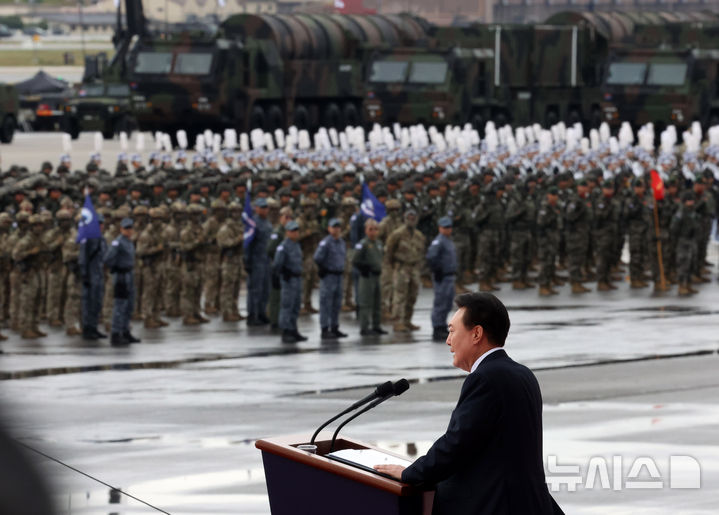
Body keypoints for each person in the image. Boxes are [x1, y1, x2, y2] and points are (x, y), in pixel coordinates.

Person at [375, 292, 563, 515]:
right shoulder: (523, 374)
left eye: (452, 331)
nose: (448, 341)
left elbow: (457, 444)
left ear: (476, 334)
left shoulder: (485, 378)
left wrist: (409, 473)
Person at [104, 218, 141, 346]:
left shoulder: (129, 242)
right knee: (120, 305)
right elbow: (108, 258)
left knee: (129, 305)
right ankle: (116, 333)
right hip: (121, 275)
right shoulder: (118, 242)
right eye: (126, 228)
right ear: (121, 229)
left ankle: (125, 331)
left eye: (130, 228)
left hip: (130, 274)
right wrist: (115, 268)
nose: (129, 231)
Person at [352, 218, 387, 336]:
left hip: (377, 276)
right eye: (370, 229)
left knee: (377, 302)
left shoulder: (379, 243)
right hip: (367, 277)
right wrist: (364, 268)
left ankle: (376, 325)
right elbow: (355, 260)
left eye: (375, 229)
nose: (373, 232)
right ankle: (364, 327)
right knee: (365, 303)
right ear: (366, 231)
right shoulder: (363, 244)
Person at [313, 217, 347, 340]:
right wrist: (322, 268)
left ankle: (334, 327)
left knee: (337, 303)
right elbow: (317, 257)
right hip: (329, 275)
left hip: (339, 275)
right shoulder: (326, 242)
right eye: (334, 227)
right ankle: (324, 328)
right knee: (326, 303)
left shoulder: (342, 242)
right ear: (329, 229)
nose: (336, 230)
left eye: (338, 227)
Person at [273, 220, 306, 344]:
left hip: (297, 278)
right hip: (288, 279)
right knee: (287, 305)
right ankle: (286, 330)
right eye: (292, 231)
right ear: (287, 232)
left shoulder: (297, 245)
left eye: (296, 230)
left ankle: (293, 329)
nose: (295, 233)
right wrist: (281, 274)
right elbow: (277, 264)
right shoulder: (283, 246)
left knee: (296, 305)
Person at [426, 216, 457, 342]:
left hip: (449, 276)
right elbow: (431, 257)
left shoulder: (448, 241)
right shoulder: (438, 241)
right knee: (440, 302)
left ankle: (442, 325)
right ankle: (437, 327)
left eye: (449, 227)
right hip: (442, 276)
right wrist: (437, 270)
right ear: (440, 228)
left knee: (448, 302)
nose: (448, 229)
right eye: (445, 227)